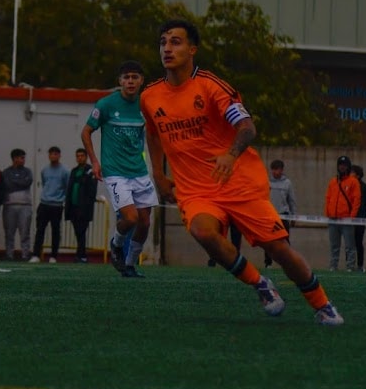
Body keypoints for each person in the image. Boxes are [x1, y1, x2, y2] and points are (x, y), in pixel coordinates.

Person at [141, 18, 341, 325]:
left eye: (176, 42)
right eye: (163, 42)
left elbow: (247, 128)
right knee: (202, 231)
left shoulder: (212, 87)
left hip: (239, 184)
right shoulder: (150, 96)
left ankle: (322, 304)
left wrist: (231, 155)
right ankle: (260, 284)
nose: (167, 48)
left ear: (192, 49)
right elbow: (153, 134)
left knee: (278, 248)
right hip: (196, 190)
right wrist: (158, 173)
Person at [81, 60, 156, 277]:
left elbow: (153, 136)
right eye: (126, 77)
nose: (130, 81)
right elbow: (86, 132)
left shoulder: (146, 105)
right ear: (120, 81)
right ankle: (116, 244)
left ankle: (130, 264)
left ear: (142, 81)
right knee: (130, 218)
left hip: (139, 172)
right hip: (115, 173)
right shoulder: (106, 104)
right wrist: (95, 162)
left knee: (144, 223)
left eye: (135, 77)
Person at [29, 147, 67, 264]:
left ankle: (53, 256)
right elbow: (45, 183)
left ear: (59, 155)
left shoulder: (65, 171)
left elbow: (66, 187)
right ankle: (36, 255)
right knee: (40, 230)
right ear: (49, 155)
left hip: (57, 205)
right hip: (44, 204)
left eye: (56, 154)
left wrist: (61, 200)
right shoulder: (44, 170)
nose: (53, 156)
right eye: (51, 154)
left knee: (55, 231)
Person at [324, 155, 360, 272]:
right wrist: (328, 213)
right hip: (333, 219)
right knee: (334, 245)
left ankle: (350, 266)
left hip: (346, 219)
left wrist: (352, 217)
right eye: (340, 165)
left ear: (348, 167)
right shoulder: (333, 181)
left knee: (350, 245)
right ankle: (333, 266)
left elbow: (356, 200)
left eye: (344, 165)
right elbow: (328, 198)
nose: (342, 167)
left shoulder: (353, 181)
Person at [65, 148, 98, 262]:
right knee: (77, 232)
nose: (80, 158)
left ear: (86, 157)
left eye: (82, 156)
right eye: (77, 156)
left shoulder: (90, 170)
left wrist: (87, 205)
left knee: (82, 231)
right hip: (73, 207)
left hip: (84, 208)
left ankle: (82, 255)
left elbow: (92, 190)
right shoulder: (74, 171)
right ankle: (79, 254)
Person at [1, 148, 34, 261]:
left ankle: (25, 255)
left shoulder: (28, 171)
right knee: (9, 233)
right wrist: (19, 182)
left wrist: (14, 181)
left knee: (25, 233)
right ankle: (9, 255)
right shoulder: (5, 172)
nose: (23, 160)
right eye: (21, 158)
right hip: (9, 206)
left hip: (25, 206)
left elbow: (27, 182)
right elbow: (7, 185)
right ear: (14, 158)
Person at [265, 159, 296, 268]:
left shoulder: (287, 183)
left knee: (285, 241)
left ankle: (289, 262)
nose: (274, 172)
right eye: (273, 170)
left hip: (283, 215)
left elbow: (291, 201)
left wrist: (293, 216)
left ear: (282, 170)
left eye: (276, 169)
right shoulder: (267, 182)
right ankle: (268, 263)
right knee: (268, 241)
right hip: (269, 216)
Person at [351, 164, 366, 272]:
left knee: (358, 242)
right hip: (349, 219)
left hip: (359, 219)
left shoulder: (364, 187)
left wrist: (359, 215)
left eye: (352, 172)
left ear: (357, 175)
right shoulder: (348, 185)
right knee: (349, 243)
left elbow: (364, 204)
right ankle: (350, 265)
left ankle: (360, 265)